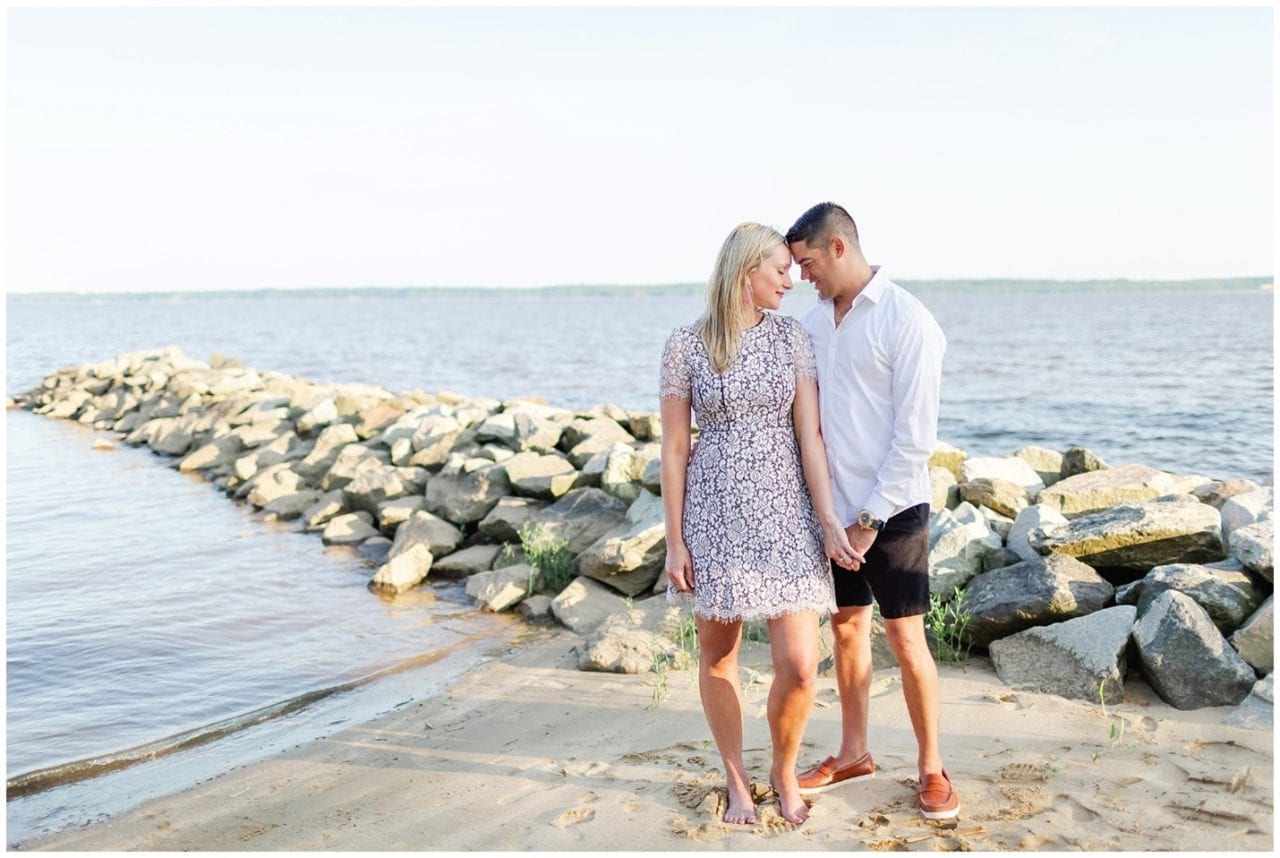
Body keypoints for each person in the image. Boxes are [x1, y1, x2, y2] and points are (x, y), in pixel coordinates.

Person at [659, 221, 858, 827]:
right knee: (719, 656)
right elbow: (672, 449)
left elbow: (810, 435)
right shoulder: (685, 345)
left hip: (785, 515)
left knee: (799, 665)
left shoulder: (791, 339)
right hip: (714, 515)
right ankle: (736, 779)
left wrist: (826, 519)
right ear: (745, 273)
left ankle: (781, 768)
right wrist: (674, 541)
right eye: (779, 270)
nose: (791, 280)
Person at [786, 202, 959, 821]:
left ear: (838, 248)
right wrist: (828, 514)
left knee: (905, 636)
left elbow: (915, 438)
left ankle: (932, 768)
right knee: (846, 627)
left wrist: (870, 518)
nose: (802, 276)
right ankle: (853, 752)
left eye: (807, 263)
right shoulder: (809, 327)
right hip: (830, 512)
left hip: (893, 508)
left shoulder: (907, 320)